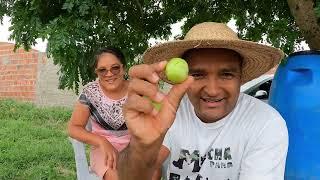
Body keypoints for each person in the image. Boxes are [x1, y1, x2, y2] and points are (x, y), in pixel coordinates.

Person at [118, 22, 288, 180]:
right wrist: (141, 148)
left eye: (226, 74)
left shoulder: (265, 123)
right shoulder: (168, 113)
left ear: (240, 78)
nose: (212, 90)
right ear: (183, 78)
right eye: (198, 75)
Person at [68, 47, 130, 180]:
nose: (109, 74)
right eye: (102, 70)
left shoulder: (136, 90)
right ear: (96, 72)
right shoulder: (90, 93)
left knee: (152, 173)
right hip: (102, 150)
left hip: (133, 147)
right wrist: (102, 142)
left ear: (123, 68)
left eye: (115, 68)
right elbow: (73, 128)